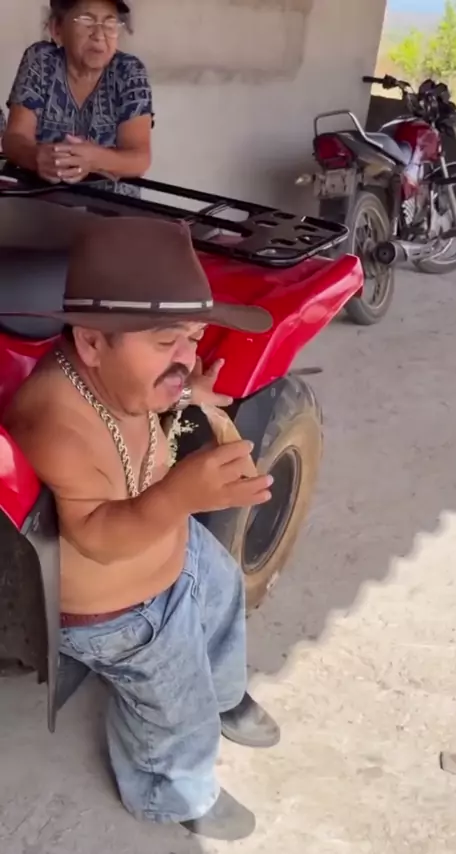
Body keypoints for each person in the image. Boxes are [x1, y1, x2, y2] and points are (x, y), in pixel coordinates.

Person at [2, 215, 279, 841]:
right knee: (176, 705)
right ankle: (171, 789)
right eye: (165, 342)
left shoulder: (121, 377)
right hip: (121, 614)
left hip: (165, 543)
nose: (186, 357)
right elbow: (97, 537)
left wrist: (186, 395)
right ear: (91, 342)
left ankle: (226, 692)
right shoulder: (55, 425)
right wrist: (183, 494)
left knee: (223, 591)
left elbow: (149, 405)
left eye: (193, 339)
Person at [3, 0, 152, 191]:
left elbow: (139, 159)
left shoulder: (129, 71)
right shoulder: (41, 60)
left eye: (110, 24)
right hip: (42, 197)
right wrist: (36, 157)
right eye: (86, 21)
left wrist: (93, 159)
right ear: (57, 29)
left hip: (112, 203)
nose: (99, 35)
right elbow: (14, 138)